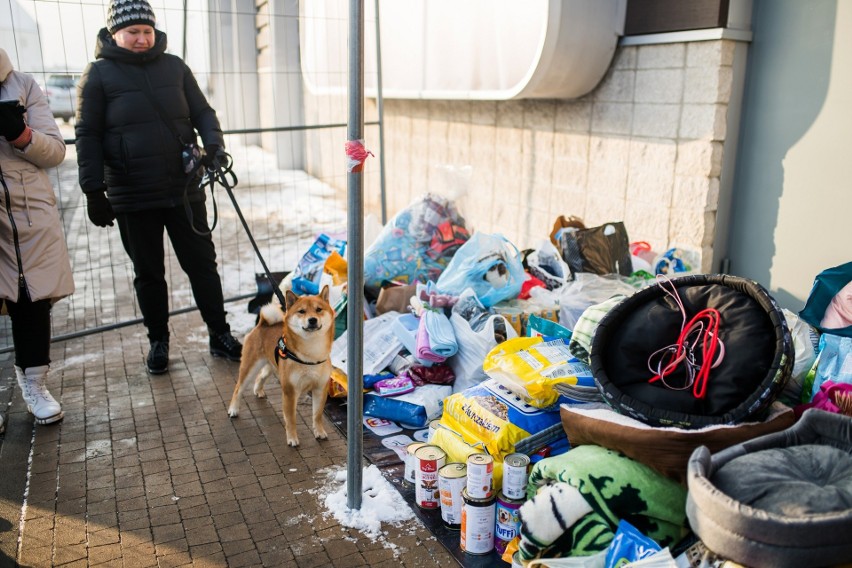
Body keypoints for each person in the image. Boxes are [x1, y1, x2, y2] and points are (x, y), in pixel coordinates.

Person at [75, 0, 242, 375]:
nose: (141, 39)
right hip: (132, 194)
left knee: (202, 266)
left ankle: (220, 334)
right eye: (133, 32)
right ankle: (159, 342)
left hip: (184, 187)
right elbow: (87, 134)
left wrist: (213, 145)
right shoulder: (98, 75)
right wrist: (93, 190)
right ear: (115, 33)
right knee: (148, 273)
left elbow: (203, 112)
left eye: (147, 31)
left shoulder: (175, 67)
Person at [0, 47, 74, 428]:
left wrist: (20, 134)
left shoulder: (22, 85)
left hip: (27, 215)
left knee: (32, 300)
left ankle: (35, 386)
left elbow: (56, 151)